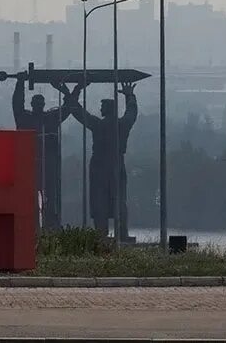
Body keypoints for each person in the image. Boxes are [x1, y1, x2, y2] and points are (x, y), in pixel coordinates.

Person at [64, 82, 138, 239]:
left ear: (107, 109)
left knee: (100, 202)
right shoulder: (122, 124)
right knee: (119, 201)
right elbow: (132, 113)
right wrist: (129, 96)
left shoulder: (98, 124)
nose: (100, 109)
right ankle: (122, 234)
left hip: (99, 165)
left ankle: (100, 235)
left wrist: (73, 92)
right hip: (117, 163)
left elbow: (78, 112)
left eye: (102, 106)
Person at [12, 74, 72, 230]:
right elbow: (17, 104)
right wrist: (20, 83)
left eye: (40, 103)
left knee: (51, 199)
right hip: (29, 165)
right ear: (33, 104)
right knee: (29, 198)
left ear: (43, 104)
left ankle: (51, 227)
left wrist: (68, 90)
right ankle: (28, 227)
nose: (38, 105)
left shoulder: (50, 118)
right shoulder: (25, 118)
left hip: (48, 165)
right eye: (36, 103)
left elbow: (68, 107)